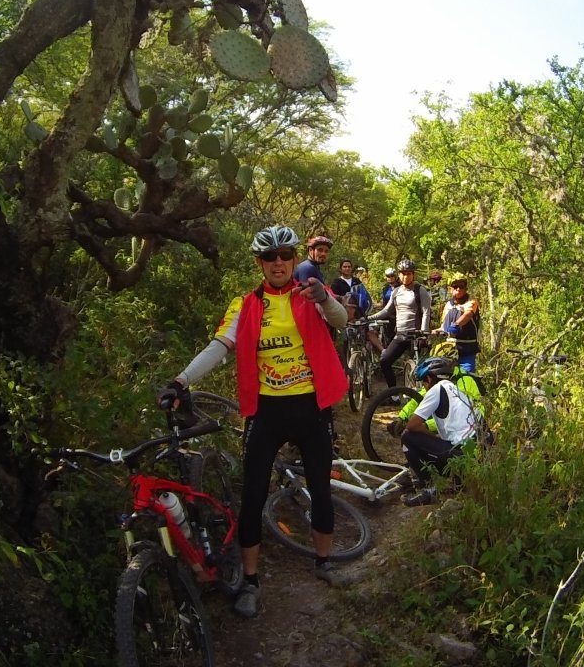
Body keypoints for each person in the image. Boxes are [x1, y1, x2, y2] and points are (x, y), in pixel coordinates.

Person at [160, 225, 349, 619]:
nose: (278, 262)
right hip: (266, 413)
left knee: (320, 487)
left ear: (294, 259)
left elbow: (341, 319)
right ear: (259, 263)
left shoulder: (311, 292)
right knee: (253, 495)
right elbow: (219, 347)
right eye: (269, 257)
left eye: (285, 255)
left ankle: (324, 562)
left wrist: (323, 298)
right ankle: (250, 580)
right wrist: (181, 380)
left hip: (311, 408)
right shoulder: (245, 305)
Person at [398, 355, 486, 507]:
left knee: (407, 437)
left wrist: (431, 435)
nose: (424, 386)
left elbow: (412, 425)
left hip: (460, 455)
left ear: (430, 378)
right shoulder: (456, 389)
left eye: (424, 381)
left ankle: (429, 489)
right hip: (477, 452)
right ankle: (456, 480)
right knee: (438, 444)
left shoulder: (437, 389)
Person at [368, 258, 432, 399]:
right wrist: (369, 318)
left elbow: (426, 312)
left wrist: (423, 333)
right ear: (399, 274)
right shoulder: (396, 291)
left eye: (408, 274)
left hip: (416, 335)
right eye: (403, 273)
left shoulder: (420, 290)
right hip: (401, 334)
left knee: (421, 368)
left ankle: (424, 397)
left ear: (413, 275)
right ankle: (394, 396)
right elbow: (387, 311)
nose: (405, 276)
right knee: (385, 361)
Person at [441, 278, 481, 372]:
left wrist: (456, 325)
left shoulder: (472, 302)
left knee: (467, 375)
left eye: (461, 286)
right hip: (449, 348)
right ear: (450, 289)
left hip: (467, 348)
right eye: (455, 286)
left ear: (466, 288)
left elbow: (467, 315)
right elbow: (443, 327)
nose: (458, 289)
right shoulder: (448, 305)